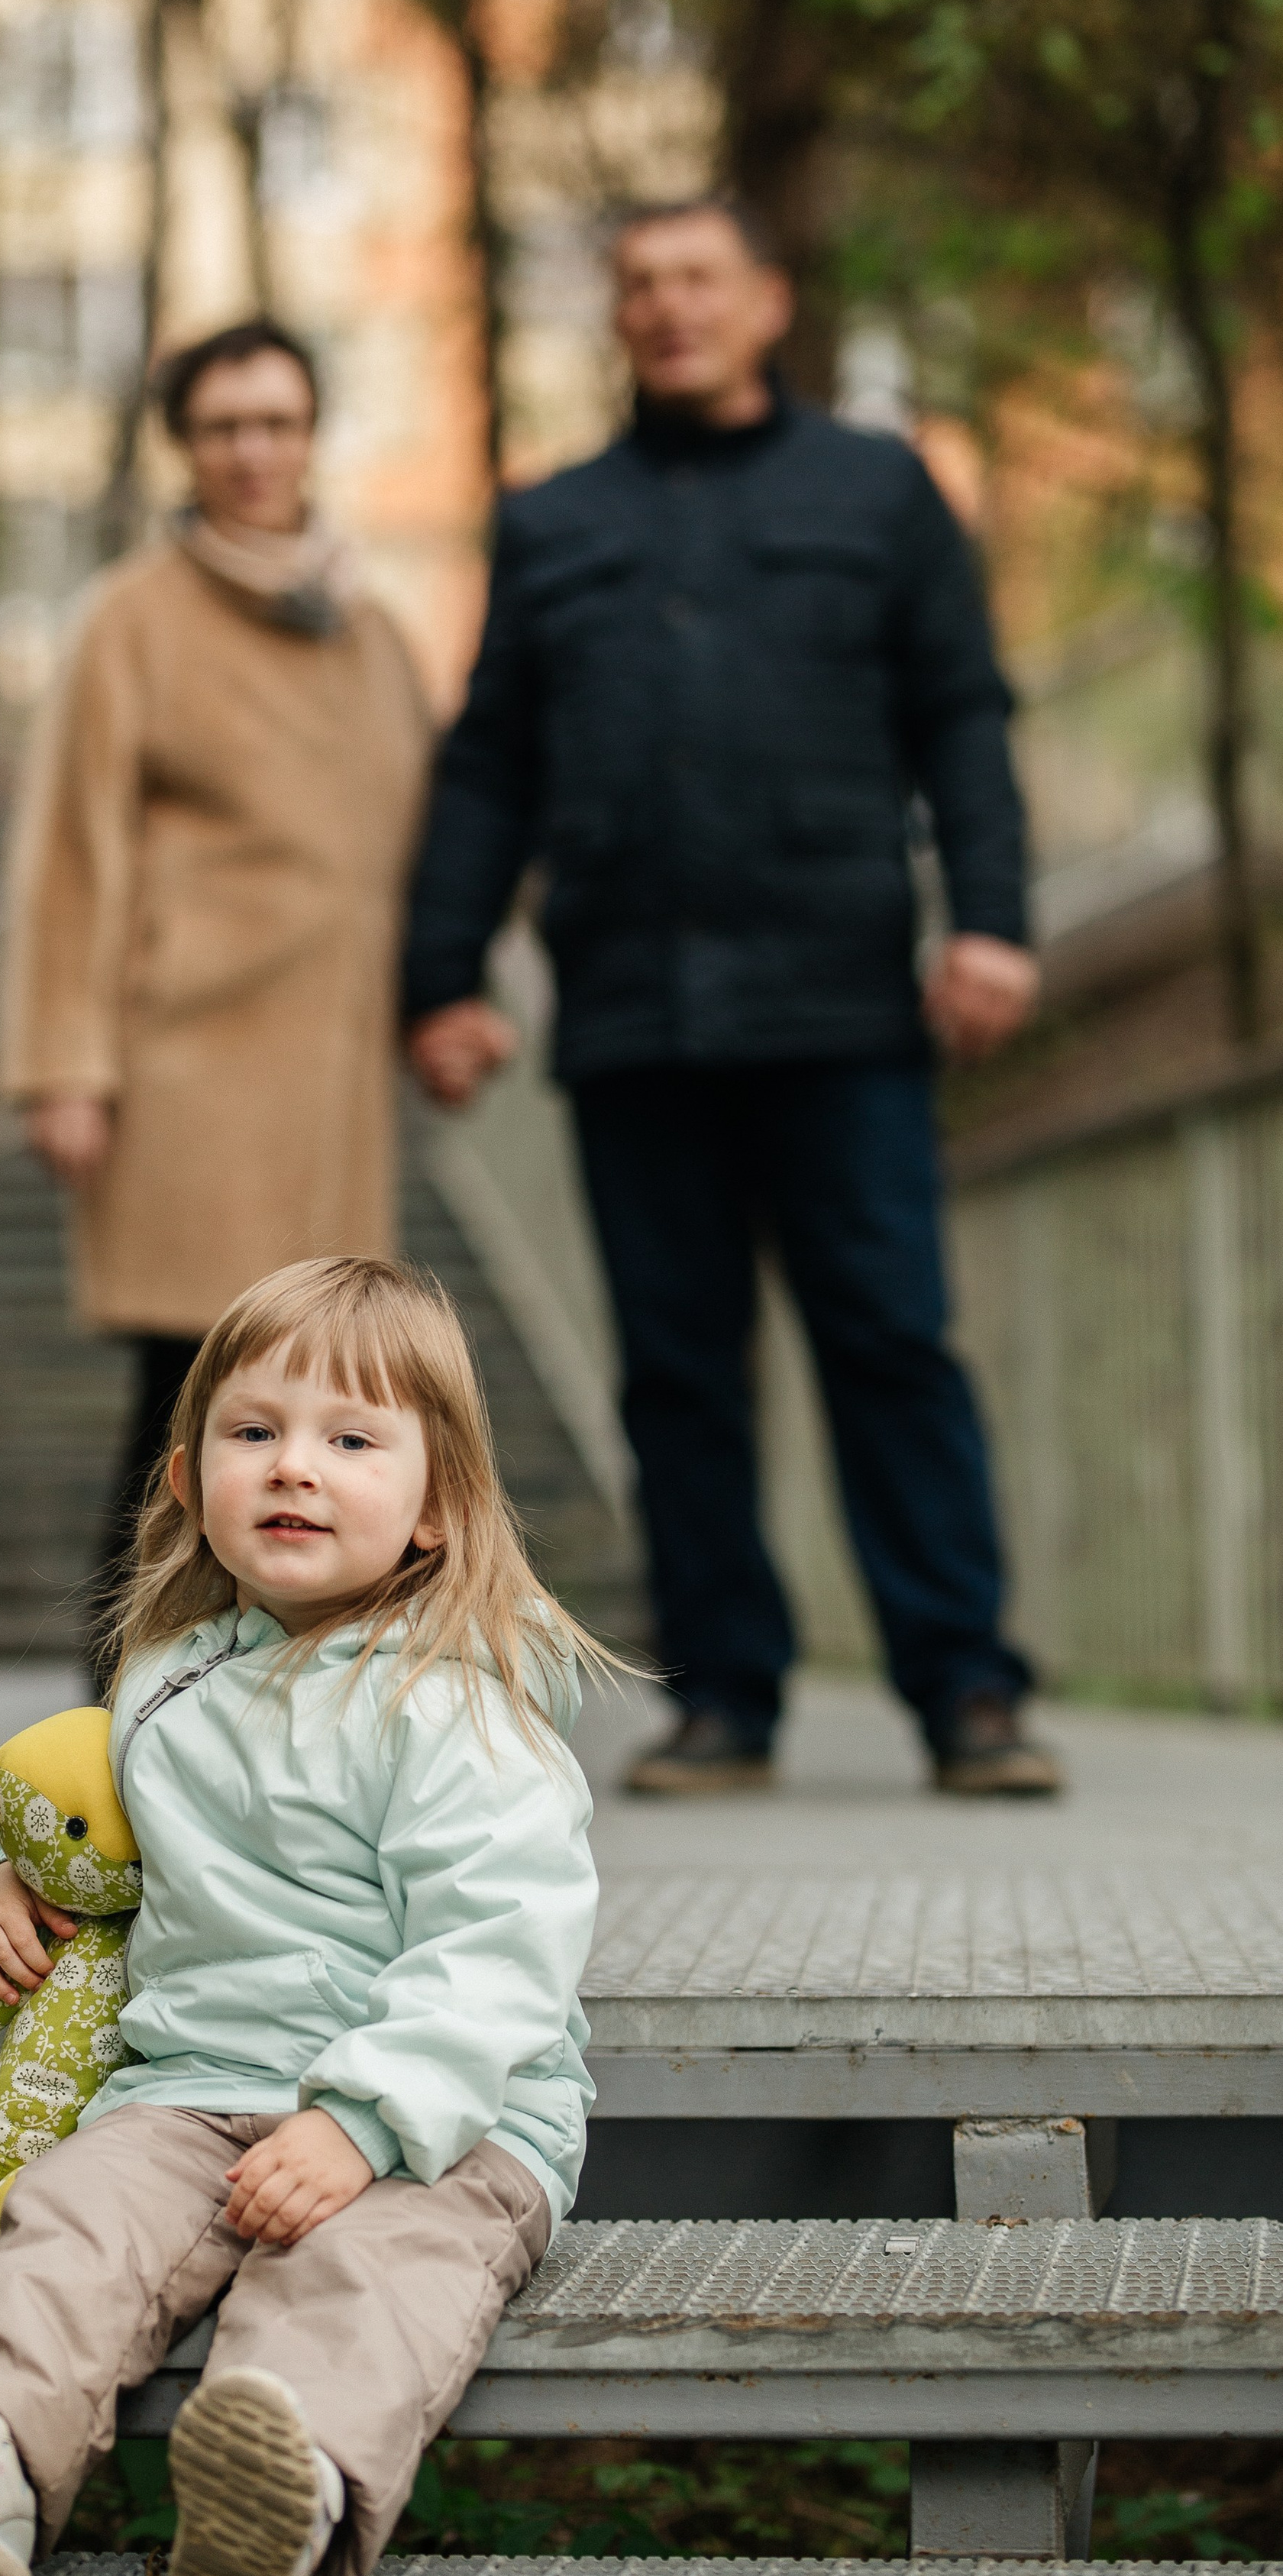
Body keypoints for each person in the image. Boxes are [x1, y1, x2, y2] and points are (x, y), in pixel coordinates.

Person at [0, 1255, 602, 2576]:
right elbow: (98, 1835)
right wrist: (8, 1892)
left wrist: (364, 2124)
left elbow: (502, 1946)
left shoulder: (454, 1708)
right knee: (70, 2227)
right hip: (188, 2090)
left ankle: (288, 2498)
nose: (296, 1469)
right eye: (255, 1434)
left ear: (437, 1511)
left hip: (442, 2121)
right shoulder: (170, 1680)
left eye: (351, 1441)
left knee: (365, 2281)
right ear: (183, 1480)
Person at [402, 198, 1058, 1800]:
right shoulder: (553, 522)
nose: (667, 307)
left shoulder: (876, 491)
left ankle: (964, 1692)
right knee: (673, 1367)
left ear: (766, 302)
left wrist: (987, 922)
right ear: (615, 320)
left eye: (698, 278)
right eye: (637, 285)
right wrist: (439, 977)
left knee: (888, 1342)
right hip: (632, 1012)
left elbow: (960, 719)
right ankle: (724, 1700)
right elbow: (489, 762)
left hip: (839, 1007)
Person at [0, 322, 435, 1622]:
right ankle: (121, 1707)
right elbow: (68, 852)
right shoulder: (131, 622)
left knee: (330, 1406)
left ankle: (298, 1711)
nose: (255, 452)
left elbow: (426, 841)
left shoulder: (373, 635)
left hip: (335, 1078)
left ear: (312, 437)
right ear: (187, 447)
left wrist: (450, 1001)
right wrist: (61, 1067)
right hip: (185, 1072)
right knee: (191, 1404)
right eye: (226, 427)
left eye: (279, 423)